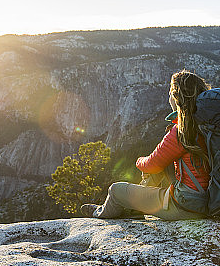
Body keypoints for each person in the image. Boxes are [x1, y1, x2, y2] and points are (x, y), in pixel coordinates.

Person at [80, 70, 211, 220]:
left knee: (115, 190)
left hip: (187, 205)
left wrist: (139, 161)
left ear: (176, 98)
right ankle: (135, 208)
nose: (168, 98)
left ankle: (100, 212)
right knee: (163, 166)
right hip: (211, 198)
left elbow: (151, 165)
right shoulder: (211, 124)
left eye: (170, 94)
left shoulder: (183, 131)